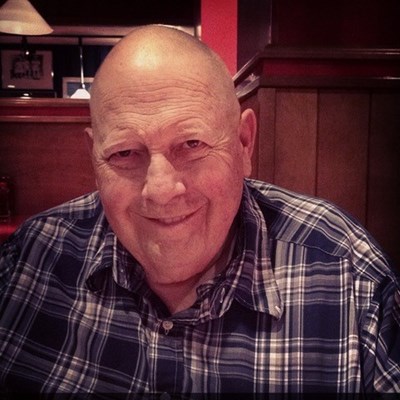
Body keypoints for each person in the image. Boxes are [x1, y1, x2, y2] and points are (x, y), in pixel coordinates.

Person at [0, 25, 399, 397]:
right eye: (124, 153)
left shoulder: (348, 275)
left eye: (192, 144)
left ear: (243, 144)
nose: (160, 191)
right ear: (94, 157)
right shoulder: (29, 260)